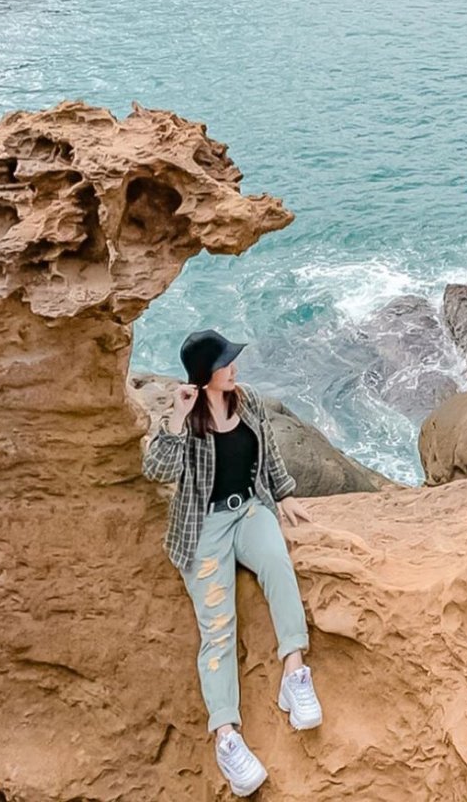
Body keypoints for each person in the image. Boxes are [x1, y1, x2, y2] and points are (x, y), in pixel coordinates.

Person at [143, 329, 322, 797]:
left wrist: (283, 495)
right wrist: (178, 418)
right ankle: (227, 736)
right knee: (217, 630)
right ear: (205, 375)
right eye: (225, 362)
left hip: (250, 511)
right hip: (203, 530)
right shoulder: (188, 417)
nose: (234, 366)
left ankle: (294, 674)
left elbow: (269, 452)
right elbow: (157, 470)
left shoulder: (249, 401)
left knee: (279, 568)